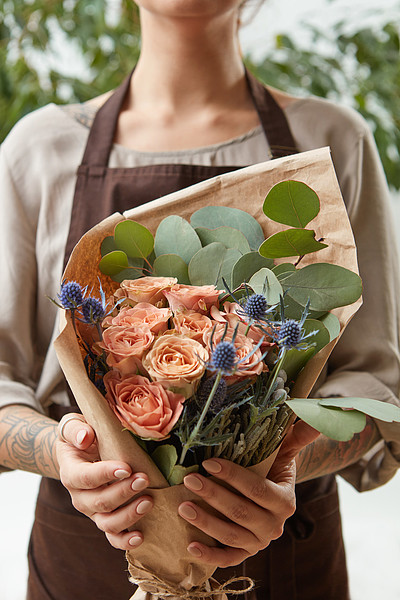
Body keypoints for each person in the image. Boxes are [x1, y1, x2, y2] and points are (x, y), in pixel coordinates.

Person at [0, 1, 399, 599]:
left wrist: (279, 466)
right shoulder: (41, 149)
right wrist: (64, 454)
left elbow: (377, 399)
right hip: (86, 561)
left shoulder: (334, 140)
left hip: (286, 560)